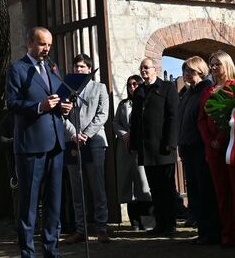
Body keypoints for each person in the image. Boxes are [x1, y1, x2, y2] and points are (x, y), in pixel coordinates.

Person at [7, 26, 72, 258]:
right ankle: (28, 253)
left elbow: (60, 98)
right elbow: (12, 104)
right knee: (29, 205)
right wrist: (38, 107)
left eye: (49, 45)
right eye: (43, 44)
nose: (47, 49)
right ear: (30, 43)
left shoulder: (53, 69)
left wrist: (66, 106)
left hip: (56, 144)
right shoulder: (18, 69)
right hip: (31, 146)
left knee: (54, 204)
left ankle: (51, 251)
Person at [198, 51, 235, 248]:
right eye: (211, 64)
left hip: (234, 147)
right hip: (213, 150)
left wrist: (221, 139)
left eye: (217, 64)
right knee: (222, 193)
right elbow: (202, 119)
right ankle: (227, 233)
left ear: (227, 65)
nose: (213, 68)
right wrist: (209, 141)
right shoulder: (208, 90)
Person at [61, 54, 110, 245]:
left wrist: (87, 134)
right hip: (72, 141)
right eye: (77, 67)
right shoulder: (66, 88)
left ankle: (101, 229)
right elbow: (61, 115)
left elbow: (102, 114)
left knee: (97, 187)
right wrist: (74, 134)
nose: (79, 69)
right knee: (77, 188)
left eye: (83, 67)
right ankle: (80, 229)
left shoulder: (99, 88)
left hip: (95, 141)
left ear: (89, 69)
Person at [129, 58, 179, 237]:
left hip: (163, 146)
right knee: (154, 189)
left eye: (146, 67)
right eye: (141, 68)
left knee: (167, 187)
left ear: (155, 69)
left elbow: (173, 116)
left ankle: (170, 223)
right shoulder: (139, 92)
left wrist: (171, 142)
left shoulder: (167, 88)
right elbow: (134, 120)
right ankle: (160, 223)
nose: (143, 71)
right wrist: (134, 144)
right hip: (147, 148)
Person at [177, 56, 220, 245]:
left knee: (206, 191)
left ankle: (212, 231)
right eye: (185, 70)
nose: (187, 73)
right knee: (194, 190)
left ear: (200, 71)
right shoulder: (187, 93)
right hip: (187, 146)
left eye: (191, 70)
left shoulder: (206, 90)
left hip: (201, 147)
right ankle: (203, 231)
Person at [112, 75, 152, 231]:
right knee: (128, 186)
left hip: (141, 149)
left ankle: (148, 223)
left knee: (144, 186)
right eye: (129, 84)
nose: (132, 87)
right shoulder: (123, 104)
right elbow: (115, 122)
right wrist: (124, 134)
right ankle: (134, 222)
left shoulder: (146, 102)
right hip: (126, 149)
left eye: (135, 84)